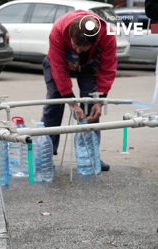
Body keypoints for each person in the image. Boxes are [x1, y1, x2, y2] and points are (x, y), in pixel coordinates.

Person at [41, 10, 117, 171]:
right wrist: (71, 102)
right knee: (55, 101)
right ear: (70, 37)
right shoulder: (58, 30)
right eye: (76, 46)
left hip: (90, 63)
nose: (79, 51)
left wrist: (100, 100)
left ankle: (91, 155)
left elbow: (108, 66)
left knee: (91, 104)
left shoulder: (106, 34)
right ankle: (46, 155)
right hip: (59, 61)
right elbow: (58, 68)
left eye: (84, 47)